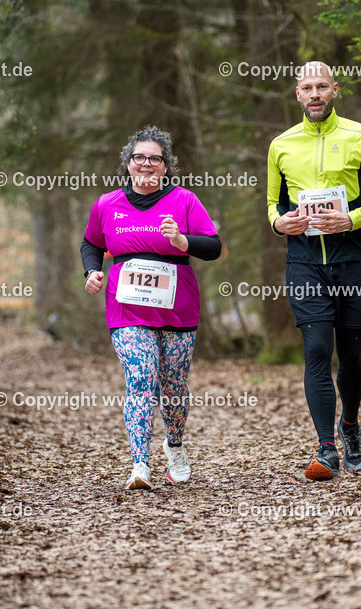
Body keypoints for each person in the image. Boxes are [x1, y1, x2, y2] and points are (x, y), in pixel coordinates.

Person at [266, 61, 361, 481]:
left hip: (352, 258)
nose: (316, 93)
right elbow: (273, 204)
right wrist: (277, 222)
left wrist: (353, 219)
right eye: (308, 87)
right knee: (317, 349)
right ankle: (326, 448)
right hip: (305, 262)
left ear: (335, 89)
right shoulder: (281, 145)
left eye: (322, 86)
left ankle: (351, 426)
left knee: (352, 353)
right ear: (297, 94)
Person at [82, 126, 222, 490]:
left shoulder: (185, 200)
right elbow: (90, 244)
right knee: (141, 380)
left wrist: (182, 240)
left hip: (178, 308)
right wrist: (92, 271)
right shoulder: (106, 204)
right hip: (126, 308)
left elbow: (213, 246)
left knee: (174, 387)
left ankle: (174, 446)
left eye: (154, 159)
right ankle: (140, 465)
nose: (146, 164)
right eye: (139, 158)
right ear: (128, 164)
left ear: (165, 166)